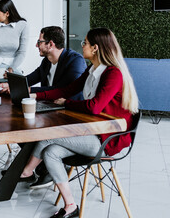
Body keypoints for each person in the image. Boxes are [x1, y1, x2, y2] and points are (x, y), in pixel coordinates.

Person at [21, 28, 139, 218]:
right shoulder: (92, 69)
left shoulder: (113, 74)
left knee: (49, 135)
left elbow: (93, 106)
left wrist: (67, 103)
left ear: (95, 48)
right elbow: (66, 90)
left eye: (85, 43)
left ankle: (26, 172)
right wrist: (32, 94)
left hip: (106, 138)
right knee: (50, 152)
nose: (81, 46)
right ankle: (70, 206)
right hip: (91, 130)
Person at [0, 26, 86, 189]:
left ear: (50, 44)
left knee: (29, 125)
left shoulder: (75, 61)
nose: (36, 45)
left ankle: (44, 170)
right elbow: (30, 79)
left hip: (70, 113)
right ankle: (37, 168)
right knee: (18, 122)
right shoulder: (47, 61)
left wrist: (30, 91)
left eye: (39, 42)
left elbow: (62, 89)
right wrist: (11, 84)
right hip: (51, 109)